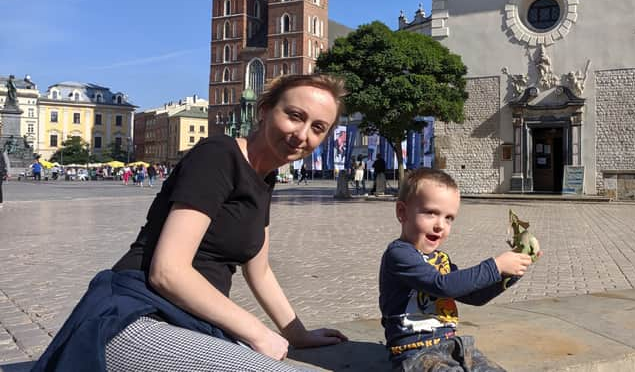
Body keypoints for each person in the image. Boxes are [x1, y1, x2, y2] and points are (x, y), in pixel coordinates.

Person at [34, 75, 350, 372]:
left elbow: (260, 270)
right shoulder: (218, 155)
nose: (302, 134)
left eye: (318, 127)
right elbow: (168, 272)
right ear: (264, 111)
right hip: (136, 315)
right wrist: (258, 333)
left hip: (187, 320)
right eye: (295, 115)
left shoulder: (263, 178)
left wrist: (297, 333)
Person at [379, 168, 538, 371]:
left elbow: (473, 297)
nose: (440, 225)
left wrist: (510, 272)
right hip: (415, 353)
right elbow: (443, 286)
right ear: (402, 212)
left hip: (453, 346)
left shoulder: (441, 259)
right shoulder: (399, 254)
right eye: (431, 213)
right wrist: (496, 266)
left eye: (449, 218)